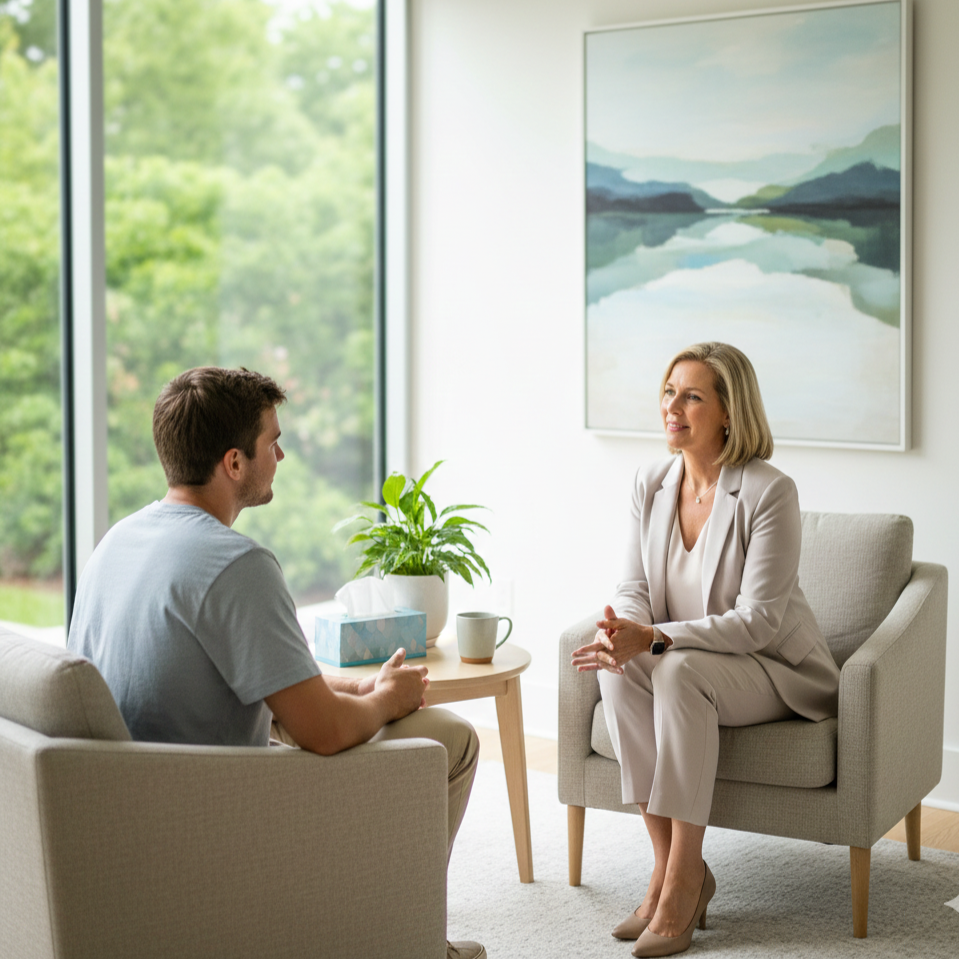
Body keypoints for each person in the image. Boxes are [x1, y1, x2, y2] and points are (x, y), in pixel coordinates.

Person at [68, 366, 486, 959]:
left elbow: (229, 676)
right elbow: (326, 732)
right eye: (272, 442)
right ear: (234, 463)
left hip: (138, 799)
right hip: (221, 811)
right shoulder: (235, 563)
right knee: (451, 738)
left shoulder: (118, 541)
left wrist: (361, 683)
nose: (282, 454)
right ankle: (401, 939)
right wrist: (389, 699)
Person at [571, 342, 840, 958]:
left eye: (693, 395)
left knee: (676, 671)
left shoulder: (770, 491)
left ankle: (685, 879)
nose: (674, 407)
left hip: (773, 669)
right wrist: (626, 633)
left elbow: (758, 623)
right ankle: (670, 872)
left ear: (728, 411)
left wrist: (657, 638)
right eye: (669, 392)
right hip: (689, 661)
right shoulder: (650, 480)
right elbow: (633, 587)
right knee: (617, 670)